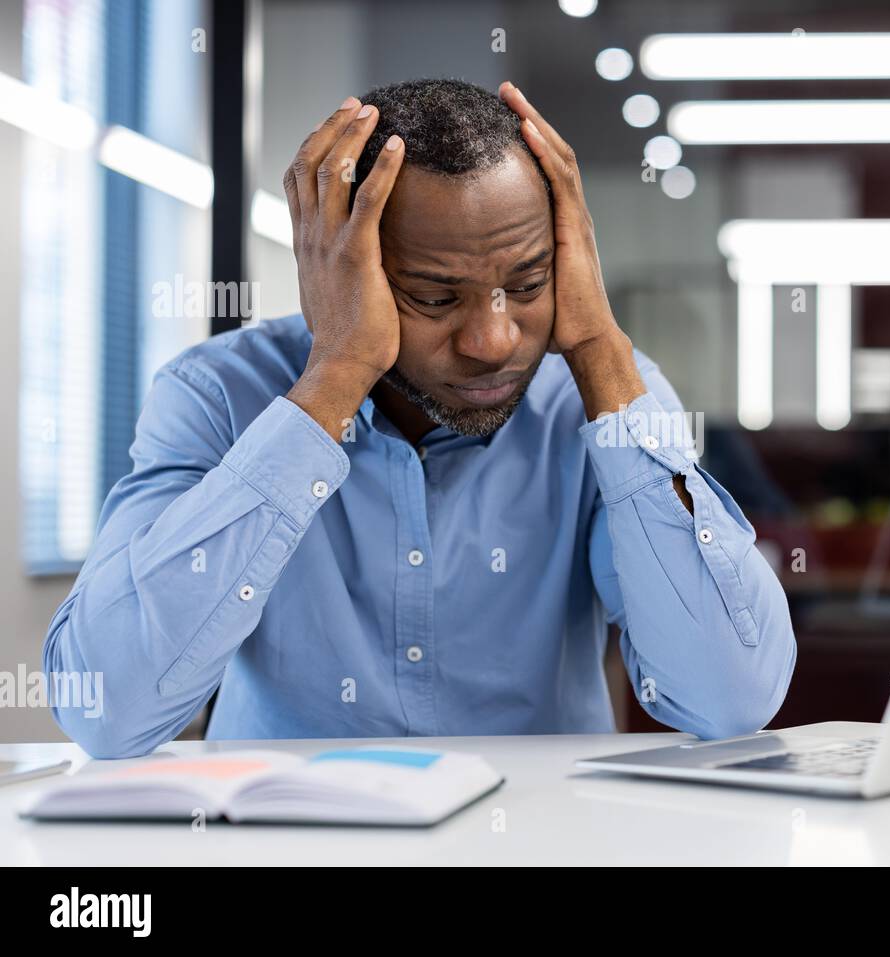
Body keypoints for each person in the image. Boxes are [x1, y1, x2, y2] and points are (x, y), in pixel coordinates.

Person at [43, 78, 796, 759]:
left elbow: (730, 698)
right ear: (340, 264)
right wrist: (335, 375)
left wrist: (600, 347)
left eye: (528, 282)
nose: (492, 340)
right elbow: (106, 709)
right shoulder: (217, 394)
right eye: (435, 299)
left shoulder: (602, 400)